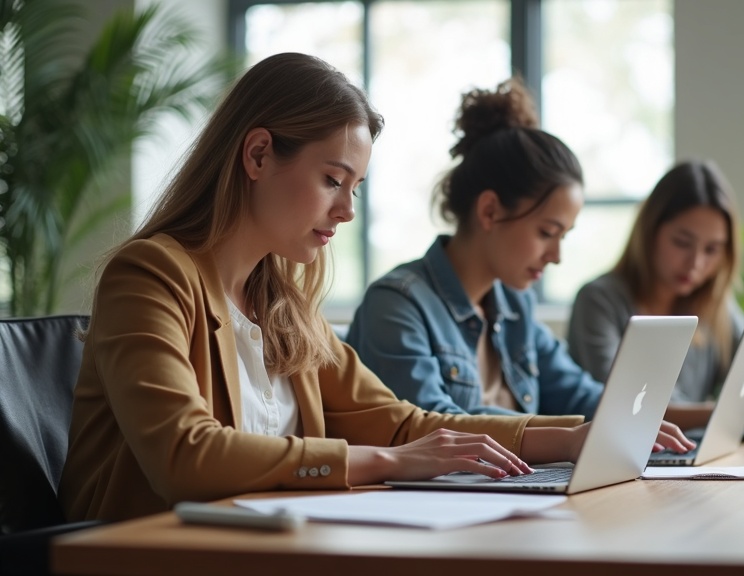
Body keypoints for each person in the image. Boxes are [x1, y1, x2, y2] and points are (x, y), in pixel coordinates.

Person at [58, 54, 692, 523]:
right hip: (154, 554)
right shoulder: (151, 274)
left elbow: (406, 425)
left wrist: (572, 437)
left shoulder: (282, 306)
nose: (346, 211)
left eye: (355, 188)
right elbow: (185, 455)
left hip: (273, 548)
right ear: (257, 156)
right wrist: (387, 464)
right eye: (334, 179)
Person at [346, 77, 692, 447]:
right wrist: (567, 438)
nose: (556, 256)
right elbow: (430, 426)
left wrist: (689, 417)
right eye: (547, 232)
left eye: (564, 236)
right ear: (490, 211)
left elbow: (582, 397)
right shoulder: (397, 304)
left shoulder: (514, 305)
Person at [567, 160, 744, 431]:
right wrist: (733, 411)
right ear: (650, 232)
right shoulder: (599, 301)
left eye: (712, 249)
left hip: (683, 460)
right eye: (682, 243)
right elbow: (623, 407)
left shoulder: (715, 307)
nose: (695, 263)